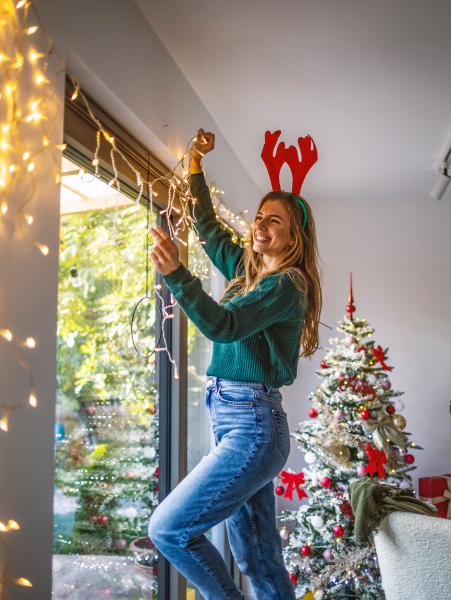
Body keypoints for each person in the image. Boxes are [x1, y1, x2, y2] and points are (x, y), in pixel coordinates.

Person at [147, 129, 322, 600]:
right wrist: (197, 166)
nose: (261, 226)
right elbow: (208, 228)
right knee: (258, 559)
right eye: (260, 217)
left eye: (275, 222)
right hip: (235, 419)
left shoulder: (287, 284)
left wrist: (176, 275)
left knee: (168, 530)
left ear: (294, 237)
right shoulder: (249, 270)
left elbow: (223, 327)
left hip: (253, 425)